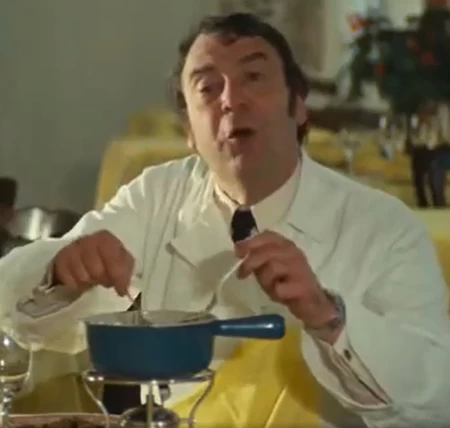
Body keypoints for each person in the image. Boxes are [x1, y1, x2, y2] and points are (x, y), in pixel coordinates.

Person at [1, 12, 450, 427]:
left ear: (299, 106)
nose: (232, 101)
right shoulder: (157, 196)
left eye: (253, 77)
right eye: (207, 88)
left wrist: (329, 318)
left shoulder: (383, 226)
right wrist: (61, 272)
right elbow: (15, 309)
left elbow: (438, 397)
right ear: (189, 132)